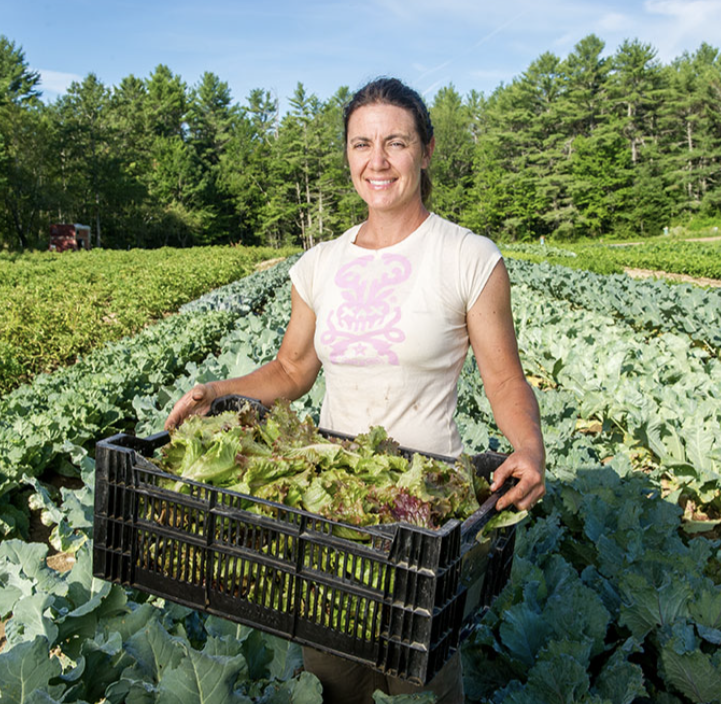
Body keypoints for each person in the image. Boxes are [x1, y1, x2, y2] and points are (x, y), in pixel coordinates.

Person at [165, 76, 546, 704]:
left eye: (395, 142)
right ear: (346, 155)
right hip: (331, 514)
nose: (377, 160)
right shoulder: (320, 264)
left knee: (418, 683)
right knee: (332, 676)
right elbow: (290, 371)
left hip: (424, 516)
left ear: (425, 150)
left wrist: (527, 447)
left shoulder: (468, 257)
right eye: (361, 144)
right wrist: (218, 392)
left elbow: (503, 377)